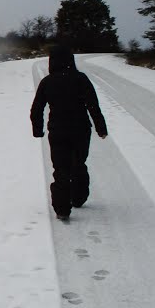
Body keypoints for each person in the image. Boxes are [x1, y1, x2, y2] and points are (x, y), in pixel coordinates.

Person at [30, 45, 108, 221]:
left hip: (58, 131)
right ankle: (78, 198)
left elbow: (37, 108)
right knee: (79, 163)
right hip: (81, 130)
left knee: (60, 169)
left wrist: (37, 129)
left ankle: (62, 209)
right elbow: (93, 105)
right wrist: (100, 128)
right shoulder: (81, 79)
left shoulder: (47, 82)